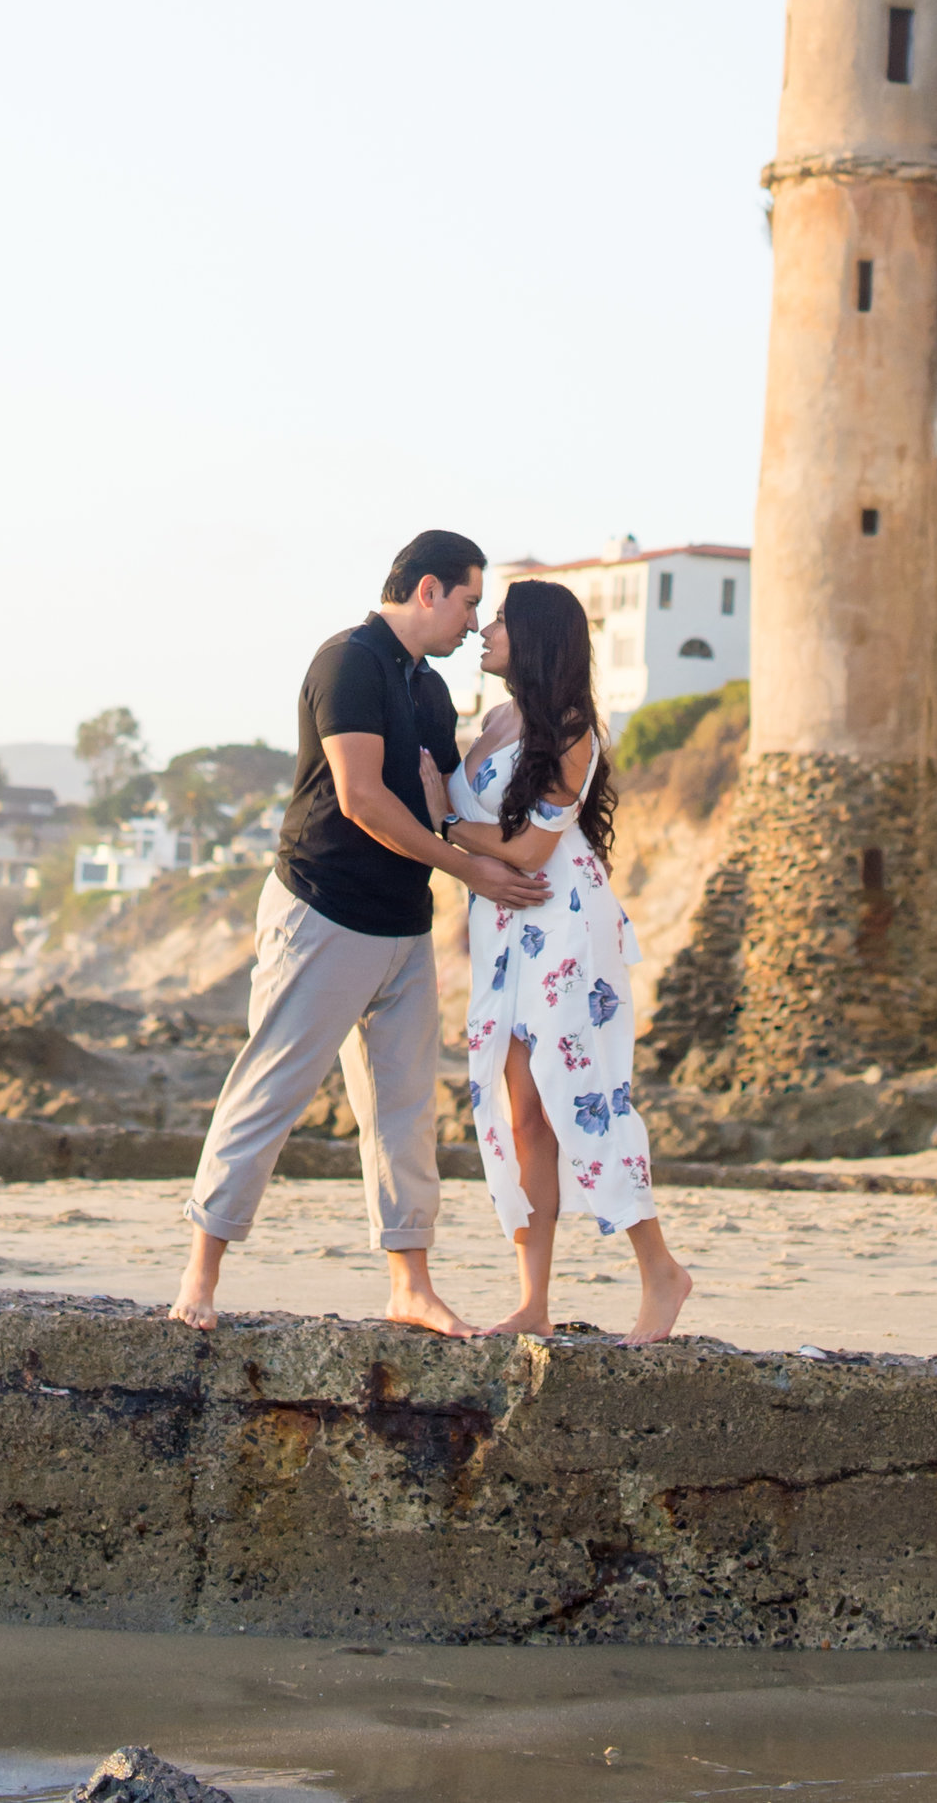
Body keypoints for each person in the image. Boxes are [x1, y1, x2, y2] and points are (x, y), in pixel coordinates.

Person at [169, 531, 552, 1335]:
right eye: (470, 601)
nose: (474, 623)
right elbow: (361, 799)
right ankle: (199, 1276)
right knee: (269, 1091)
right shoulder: (347, 661)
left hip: (403, 927)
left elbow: (443, 803)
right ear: (427, 591)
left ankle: (409, 1285)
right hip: (323, 910)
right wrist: (465, 869)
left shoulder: (433, 693)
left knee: (405, 1113)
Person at [437, 573, 695, 1344]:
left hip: (565, 922)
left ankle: (661, 1271)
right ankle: (533, 1302)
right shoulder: (494, 717)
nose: (485, 631)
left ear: (539, 637)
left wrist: (443, 820)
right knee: (520, 1110)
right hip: (504, 929)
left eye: (503, 622)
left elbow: (527, 847)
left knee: (579, 1091)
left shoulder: (571, 730)